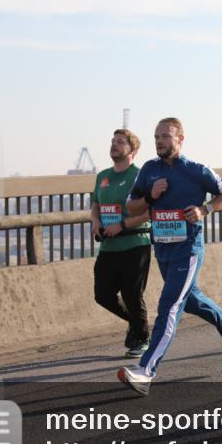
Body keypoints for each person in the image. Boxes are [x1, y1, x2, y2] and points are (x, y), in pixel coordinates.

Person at [117, 118, 222, 396]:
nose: (159, 141)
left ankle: (146, 370)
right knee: (189, 299)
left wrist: (205, 209)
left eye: (165, 136)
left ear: (180, 139)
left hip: (188, 251)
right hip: (163, 248)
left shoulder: (195, 170)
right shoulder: (149, 170)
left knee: (169, 307)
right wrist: (151, 197)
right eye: (156, 137)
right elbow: (131, 207)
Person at [90, 129, 153, 358]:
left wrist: (123, 225)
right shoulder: (102, 176)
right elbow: (96, 205)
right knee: (102, 295)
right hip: (108, 246)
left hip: (135, 243)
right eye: (113, 141)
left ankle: (142, 339)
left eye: (120, 142)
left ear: (132, 150)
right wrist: (96, 222)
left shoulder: (140, 176)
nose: (114, 145)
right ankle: (138, 324)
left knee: (132, 295)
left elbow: (149, 212)